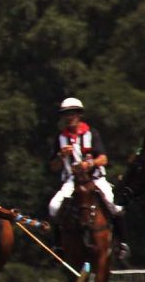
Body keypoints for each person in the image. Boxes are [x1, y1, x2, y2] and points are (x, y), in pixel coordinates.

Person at [47, 97, 129, 257]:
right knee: (54, 207)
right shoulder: (60, 138)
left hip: (96, 179)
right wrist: (60, 155)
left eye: (73, 113)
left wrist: (88, 164)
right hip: (71, 181)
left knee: (114, 205)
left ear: (79, 115)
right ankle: (58, 245)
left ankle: (122, 243)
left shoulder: (92, 133)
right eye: (66, 114)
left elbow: (103, 159)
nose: (69, 117)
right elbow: (53, 167)